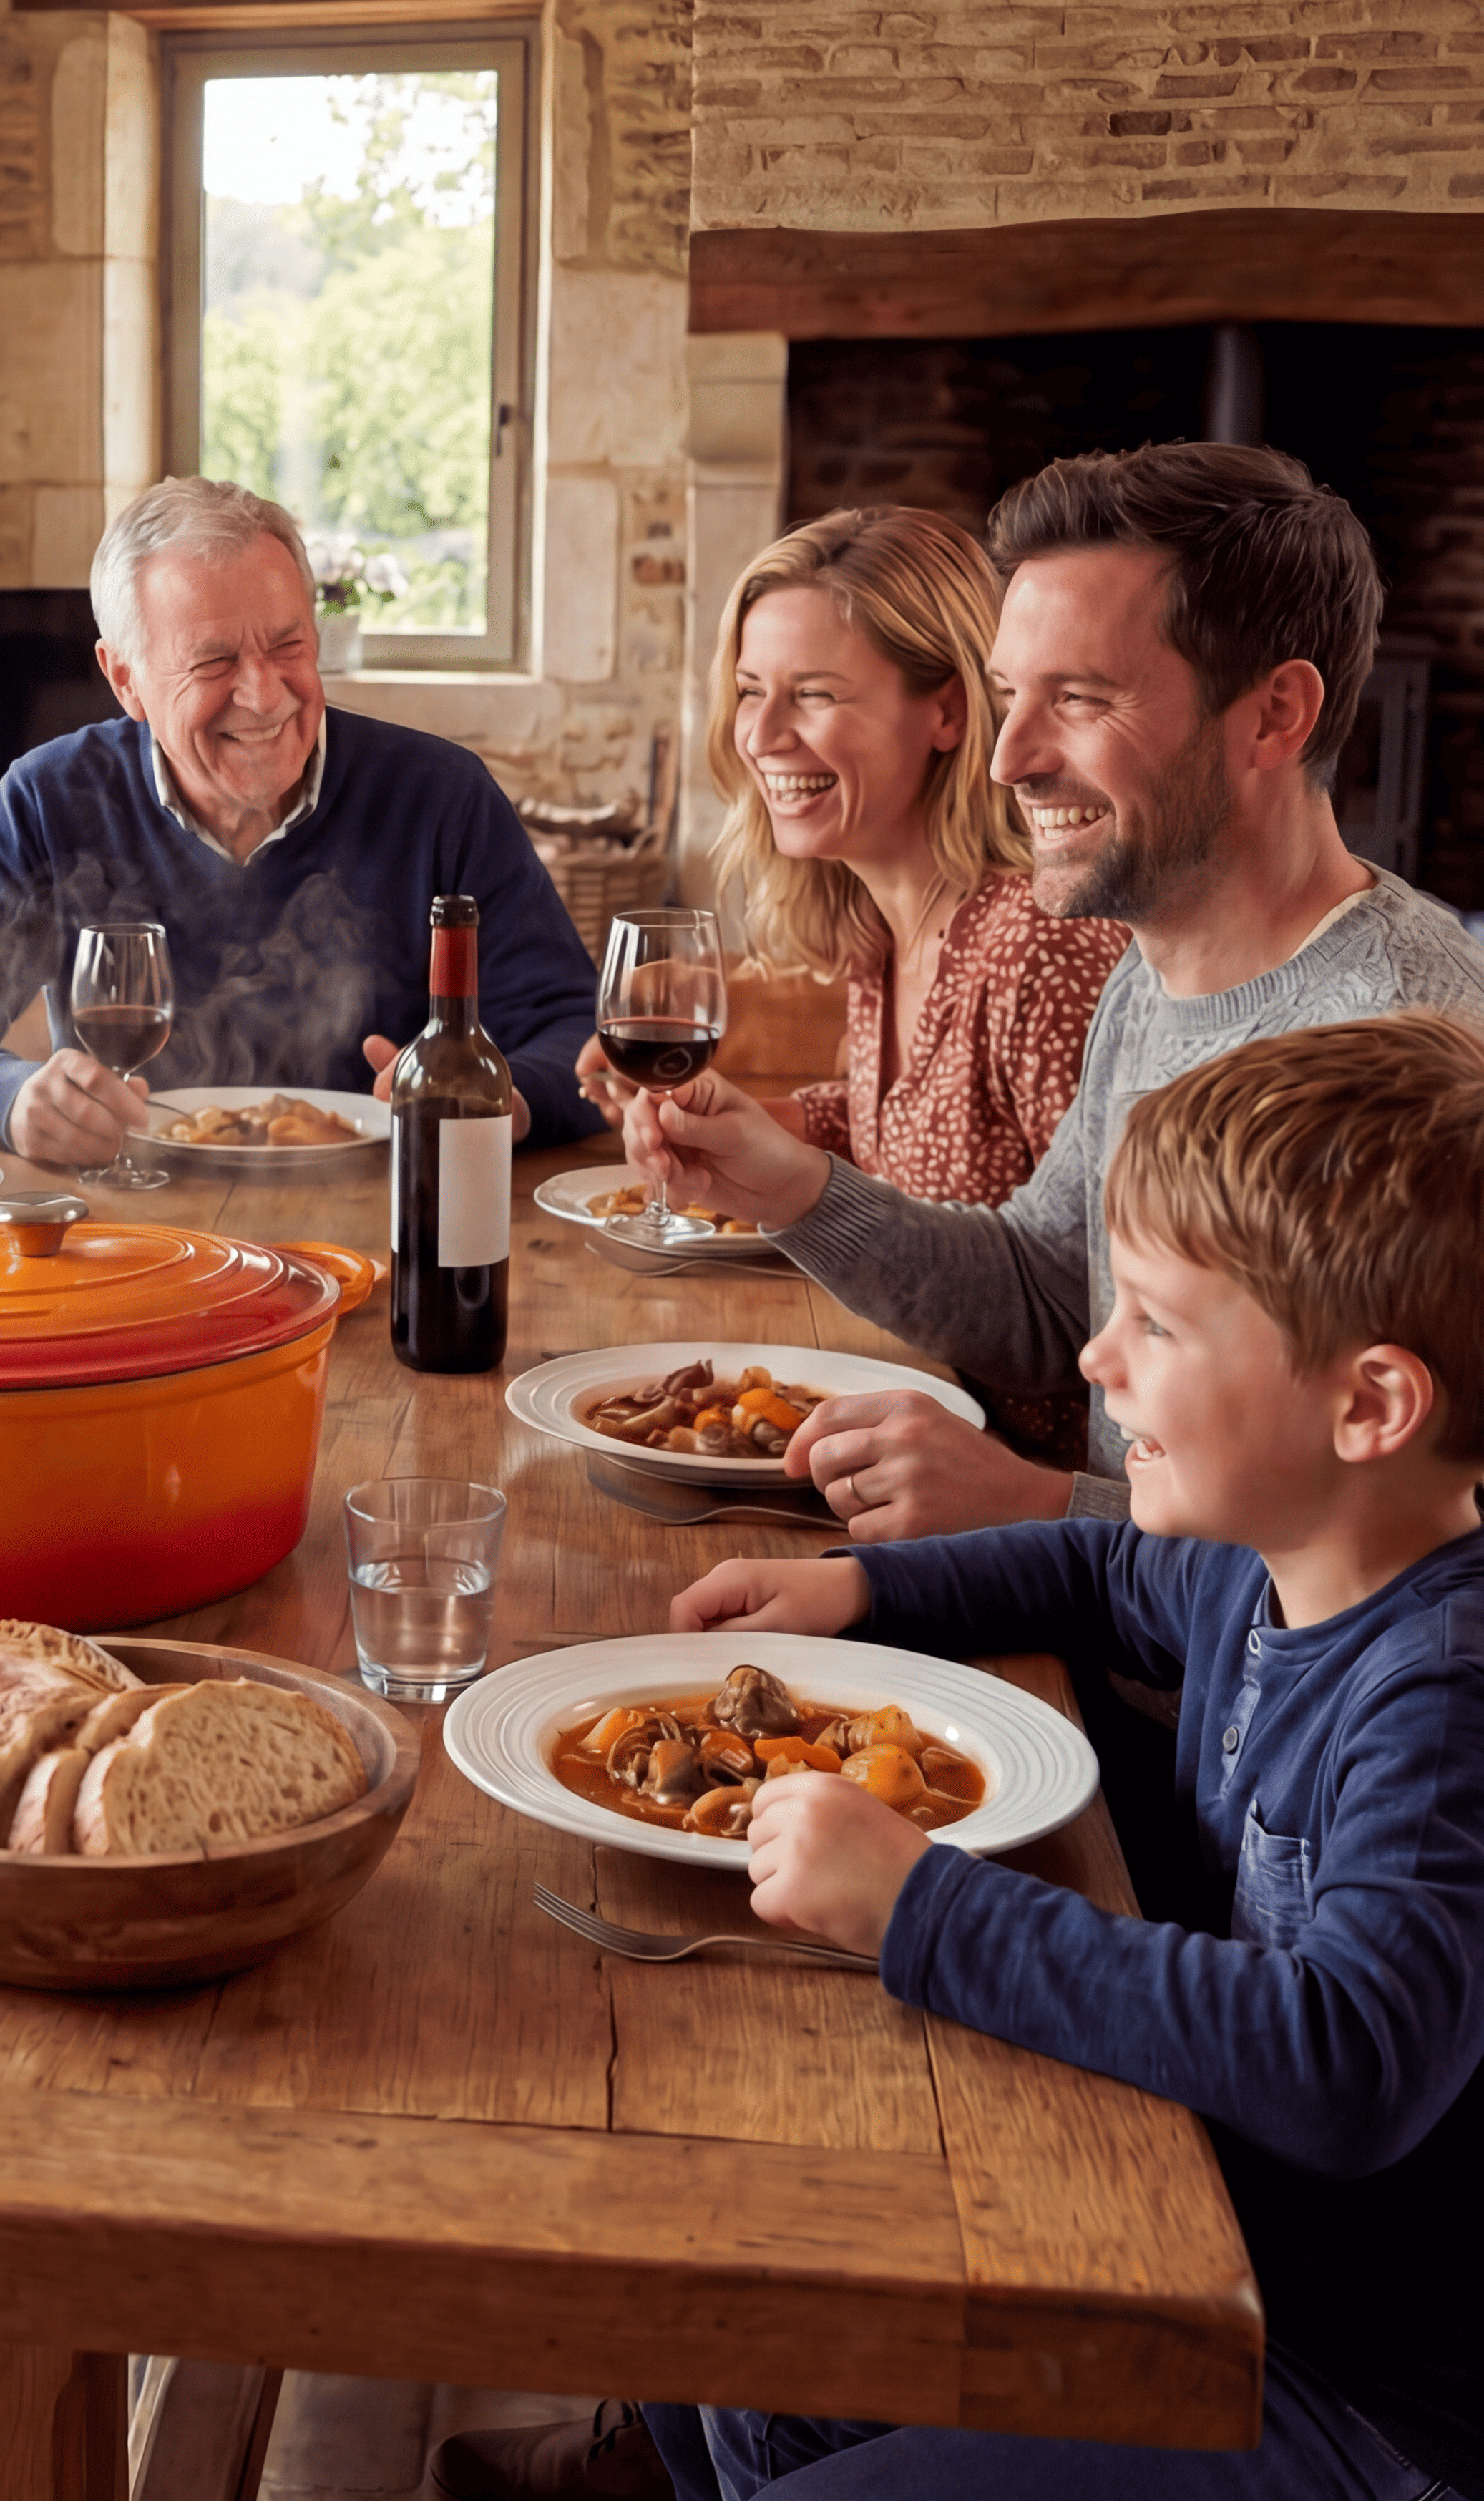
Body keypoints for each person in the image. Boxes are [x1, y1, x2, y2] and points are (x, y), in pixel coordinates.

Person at [620, 1015, 1478, 2500]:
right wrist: (866, 1589)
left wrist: (919, 1908)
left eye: (1151, 1321)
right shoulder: (1266, 1556)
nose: (1094, 1359)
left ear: (1367, 1404)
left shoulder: (1442, 1696)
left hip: (1358, 2398)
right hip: (1210, 2241)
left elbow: (1345, 2060)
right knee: (714, 2322)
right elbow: (1089, 1574)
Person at [615, 442, 1484, 1541]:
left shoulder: (1404, 1044)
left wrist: (1037, 1506)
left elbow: (1403, 1575)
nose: (1006, 758)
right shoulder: (1150, 963)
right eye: (1009, 696)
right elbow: (1046, 1292)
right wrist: (792, 1189)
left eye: (1078, 698)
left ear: (1274, 717)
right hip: (1093, 1621)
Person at [587, 507, 1127, 1463]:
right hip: (898, 1423)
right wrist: (764, 1128)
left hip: (1018, 1516)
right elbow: (929, 1131)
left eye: (816, 694)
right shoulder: (881, 925)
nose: (760, 733)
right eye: (750, 689)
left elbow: (1107, 1306)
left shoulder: (1042, 953)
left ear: (949, 712)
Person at [0, 477, 601, 1161]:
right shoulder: (50, 799)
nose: (263, 694)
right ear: (125, 679)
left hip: (389, 1220)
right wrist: (9, 1098)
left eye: (288, 646)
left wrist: (505, 1101)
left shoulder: (442, 797)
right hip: (135, 1233)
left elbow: (572, 1030)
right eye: (213, 662)